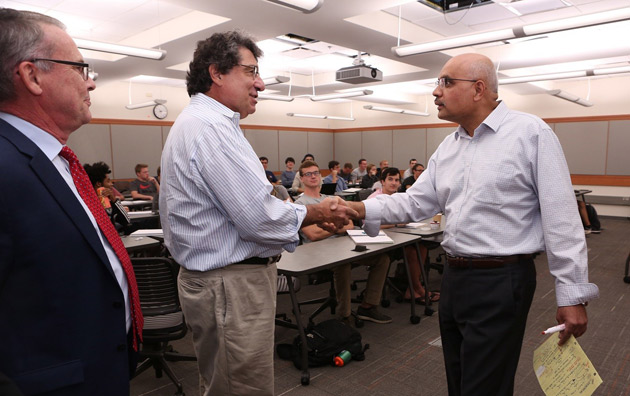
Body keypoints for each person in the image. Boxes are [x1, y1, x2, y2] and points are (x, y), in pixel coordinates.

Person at [346, 53, 599, 396]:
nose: (436, 91)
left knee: (484, 387)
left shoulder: (530, 133)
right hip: (454, 278)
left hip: (501, 279)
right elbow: (417, 202)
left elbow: (561, 217)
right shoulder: (450, 146)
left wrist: (572, 294)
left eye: (446, 82)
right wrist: (360, 208)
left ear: (479, 89)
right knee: (460, 377)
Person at [158, 30, 356, 396]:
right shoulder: (212, 129)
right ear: (216, 73)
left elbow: (247, 206)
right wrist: (314, 214)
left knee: (222, 383)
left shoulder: (203, 124)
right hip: (229, 285)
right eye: (250, 72)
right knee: (240, 387)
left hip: (221, 282)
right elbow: (258, 217)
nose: (260, 84)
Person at [0, 9, 143, 396]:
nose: (92, 83)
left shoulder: (55, 160)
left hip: (97, 368)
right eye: (80, 68)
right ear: (31, 76)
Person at [295, 161, 392, 325]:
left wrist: (331, 227)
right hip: (316, 253)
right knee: (343, 265)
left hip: (342, 247)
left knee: (382, 259)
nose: (313, 176)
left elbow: (350, 224)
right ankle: (344, 315)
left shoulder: (332, 199)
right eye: (308, 174)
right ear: (302, 179)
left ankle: (368, 306)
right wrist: (338, 227)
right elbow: (312, 235)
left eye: (316, 173)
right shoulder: (300, 204)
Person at [368, 167, 439, 304]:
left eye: (396, 180)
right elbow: (368, 224)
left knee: (421, 247)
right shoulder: (374, 199)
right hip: (379, 240)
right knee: (412, 251)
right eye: (390, 179)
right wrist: (396, 223)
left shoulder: (398, 197)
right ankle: (417, 288)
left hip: (398, 237)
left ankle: (412, 288)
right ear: (382, 181)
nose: (394, 183)